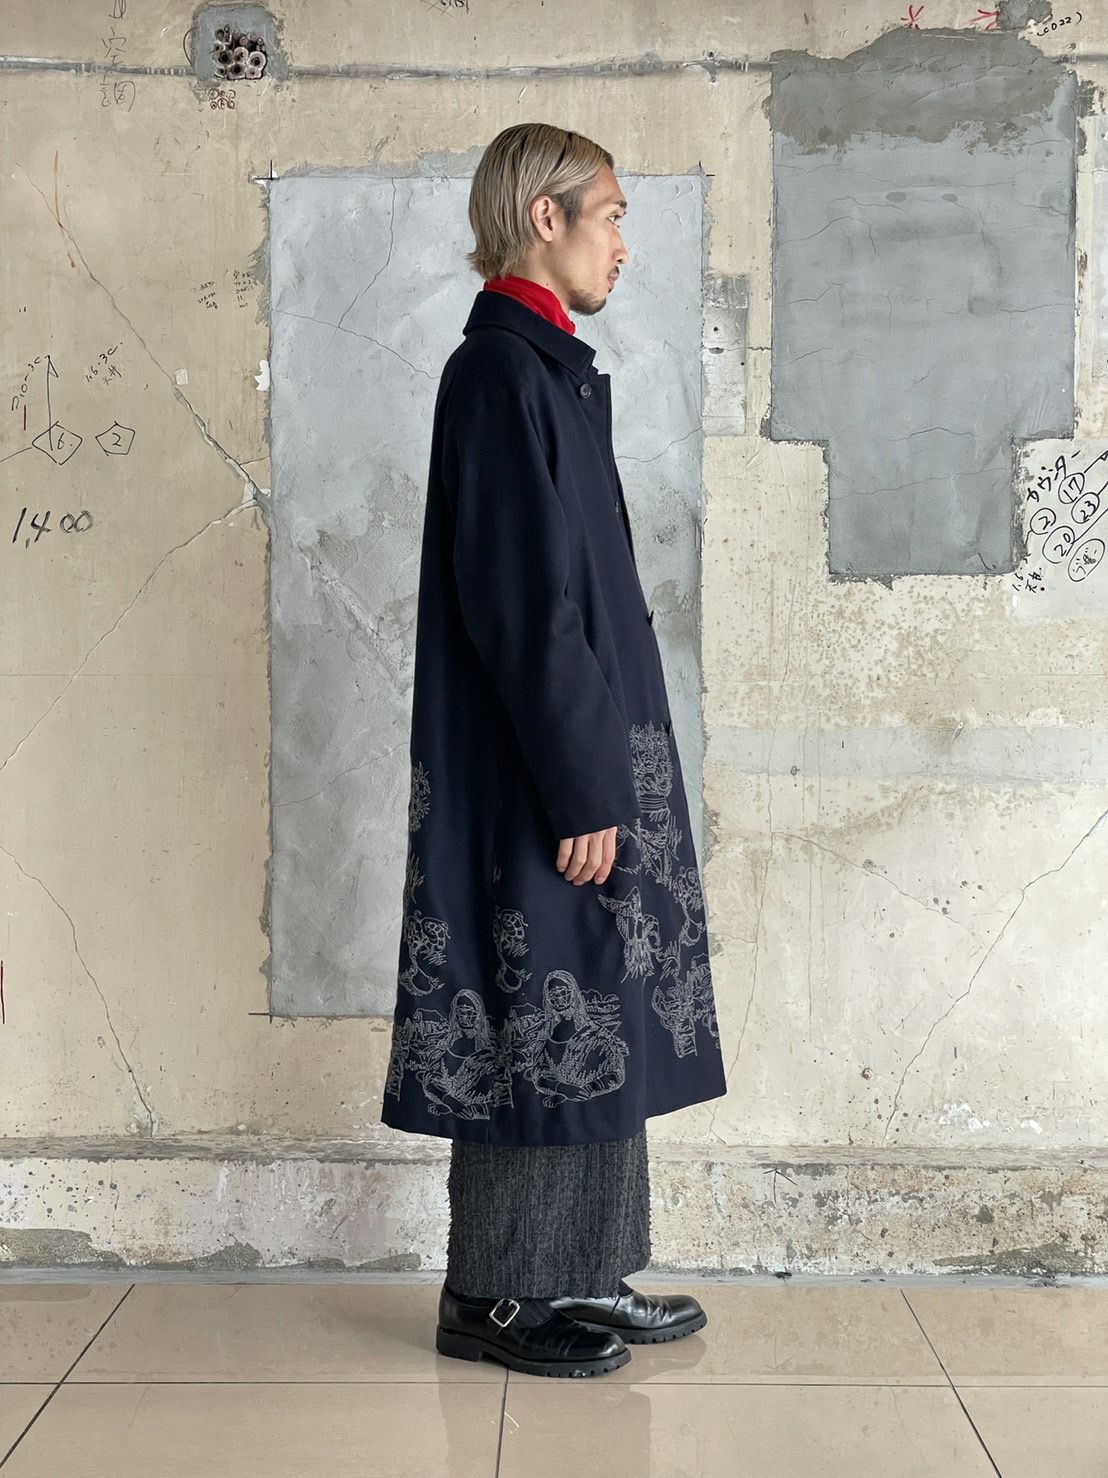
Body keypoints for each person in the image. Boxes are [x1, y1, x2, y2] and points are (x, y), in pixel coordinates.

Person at [380, 122, 728, 1379]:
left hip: (581, 754)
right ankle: (494, 1294)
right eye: (612, 215)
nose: (622, 243)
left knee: (599, 1009)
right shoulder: (499, 374)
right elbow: (527, 606)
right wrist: (583, 786)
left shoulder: (548, 369)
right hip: (542, 772)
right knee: (533, 1016)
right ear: (547, 217)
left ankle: (580, 1267)